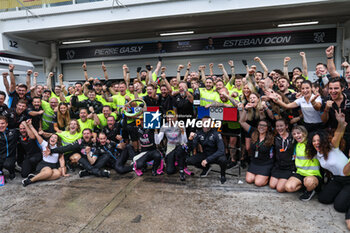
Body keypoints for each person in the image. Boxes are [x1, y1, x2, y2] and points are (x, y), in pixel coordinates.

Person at [306, 109, 350, 229]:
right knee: (323, 199)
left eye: (318, 140)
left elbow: (338, 135)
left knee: (339, 207)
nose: (316, 143)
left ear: (324, 140)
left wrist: (340, 123)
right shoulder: (318, 154)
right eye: (314, 141)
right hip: (337, 180)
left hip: (348, 179)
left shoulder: (332, 147)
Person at [45, 128, 110, 178]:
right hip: (85, 161)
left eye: (88, 133)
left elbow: (104, 141)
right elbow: (66, 148)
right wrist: (51, 151)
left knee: (107, 155)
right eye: (84, 134)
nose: (86, 135)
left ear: (91, 134)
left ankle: (88, 172)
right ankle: (99, 172)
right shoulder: (79, 142)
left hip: (95, 159)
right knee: (78, 157)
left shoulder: (96, 140)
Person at [284, 125, 322, 201]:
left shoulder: (311, 143)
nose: (296, 135)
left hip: (313, 174)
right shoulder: (296, 145)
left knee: (309, 182)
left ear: (304, 133)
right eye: (294, 134)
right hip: (300, 173)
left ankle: (310, 190)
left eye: (298, 133)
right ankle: (305, 186)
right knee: (288, 187)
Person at [239, 108, 274, 187]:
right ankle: (261, 176)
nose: (262, 127)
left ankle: (268, 176)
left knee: (258, 183)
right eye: (260, 125)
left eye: (264, 126)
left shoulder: (271, 136)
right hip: (255, 162)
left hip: (266, 164)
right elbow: (241, 122)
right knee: (249, 180)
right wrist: (244, 109)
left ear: (268, 127)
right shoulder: (254, 132)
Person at [187, 116, 227, 184]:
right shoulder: (199, 133)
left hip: (216, 155)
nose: (205, 125)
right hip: (205, 154)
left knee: (223, 159)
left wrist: (207, 160)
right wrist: (190, 139)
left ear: (211, 124)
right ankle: (206, 168)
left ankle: (223, 175)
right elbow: (190, 148)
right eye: (203, 123)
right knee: (189, 160)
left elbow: (221, 151)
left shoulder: (216, 134)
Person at [155, 111, 188, 181]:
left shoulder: (180, 125)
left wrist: (182, 131)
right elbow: (157, 141)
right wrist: (155, 131)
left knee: (180, 151)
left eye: (171, 118)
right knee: (169, 171)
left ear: (175, 118)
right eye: (168, 118)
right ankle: (175, 162)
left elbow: (185, 141)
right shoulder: (164, 126)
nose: (170, 119)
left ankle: (181, 170)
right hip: (170, 147)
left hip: (179, 145)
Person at [269, 119, 295, 192]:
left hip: (289, 166)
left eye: (281, 126)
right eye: (277, 126)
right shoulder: (275, 137)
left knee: (280, 189)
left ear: (286, 126)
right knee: (272, 185)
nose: (279, 128)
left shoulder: (292, 136)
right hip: (278, 166)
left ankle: (291, 179)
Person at [0, 116, 20, 180]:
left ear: (7, 124)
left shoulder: (13, 132)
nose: (0, 125)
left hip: (10, 157)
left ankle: (12, 171)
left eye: (2, 123)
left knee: (7, 164)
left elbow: (23, 131)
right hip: (0, 157)